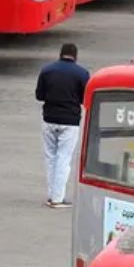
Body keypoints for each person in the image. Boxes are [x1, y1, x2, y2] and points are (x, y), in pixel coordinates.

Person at [35, 43, 90, 208]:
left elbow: (39, 95)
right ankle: (58, 198)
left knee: (50, 157)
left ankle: (52, 194)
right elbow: (85, 99)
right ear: (75, 55)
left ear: (61, 54)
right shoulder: (82, 73)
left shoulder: (46, 70)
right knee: (63, 159)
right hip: (70, 121)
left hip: (49, 118)